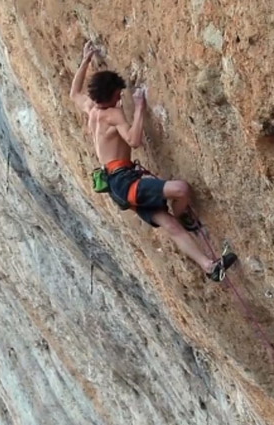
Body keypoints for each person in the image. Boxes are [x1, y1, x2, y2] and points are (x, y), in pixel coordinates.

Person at [69, 41, 236, 281]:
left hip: (119, 186)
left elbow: (74, 93)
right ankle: (183, 215)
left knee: (171, 227)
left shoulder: (92, 110)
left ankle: (210, 267)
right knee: (181, 189)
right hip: (125, 182)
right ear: (112, 95)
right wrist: (139, 108)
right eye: (118, 94)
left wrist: (85, 60)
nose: (120, 96)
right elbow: (134, 140)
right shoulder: (113, 114)